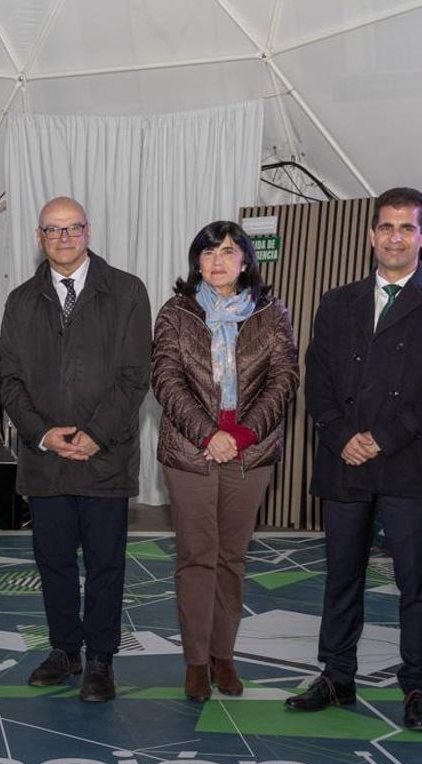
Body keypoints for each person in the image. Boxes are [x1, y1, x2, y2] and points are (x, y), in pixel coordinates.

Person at [288, 187, 422, 732]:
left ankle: (417, 686)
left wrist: (384, 437)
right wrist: (342, 433)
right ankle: (336, 676)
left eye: (407, 228)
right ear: (371, 235)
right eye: (386, 227)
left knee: (416, 584)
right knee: (341, 577)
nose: (396, 237)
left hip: (409, 461)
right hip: (345, 458)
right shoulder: (336, 301)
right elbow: (316, 378)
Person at [0, 196, 150, 703]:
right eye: (53, 230)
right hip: (45, 460)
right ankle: (65, 650)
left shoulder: (128, 291)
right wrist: (43, 434)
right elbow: (9, 380)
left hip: (104, 456)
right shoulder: (20, 301)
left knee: (106, 564)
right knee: (54, 562)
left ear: (88, 231)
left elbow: (134, 377)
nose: (63, 239)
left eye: (73, 228)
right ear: (39, 238)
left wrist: (95, 434)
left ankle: (101, 660)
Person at [152, 221, 298, 702]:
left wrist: (244, 433)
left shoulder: (271, 313)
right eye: (209, 252)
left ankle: (224, 655)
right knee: (197, 556)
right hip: (191, 452)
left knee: (232, 558)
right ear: (197, 261)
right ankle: (196, 660)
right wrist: (209, 434)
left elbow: (285, 377)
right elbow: (166, 379)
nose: (218, 260)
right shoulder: (176, 312)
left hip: (250, 452)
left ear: (245, 262)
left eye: (229, 251)